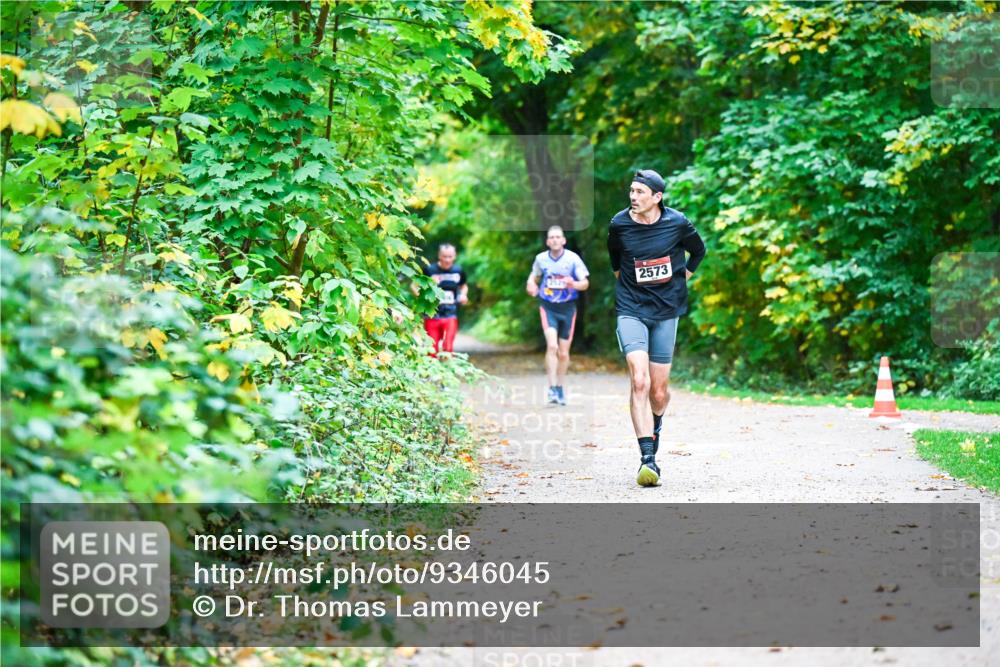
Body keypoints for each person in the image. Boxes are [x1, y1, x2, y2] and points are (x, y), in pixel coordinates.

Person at [607, 170, 706, 486]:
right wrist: (634, 293)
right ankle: (647, 458)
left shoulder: (677, 222)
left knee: (659, 392)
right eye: (631, 191)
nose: (633, 197)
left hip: (666, 311)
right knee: (639, 380)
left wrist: (684, 276)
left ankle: (656, 426)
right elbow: (615, 265)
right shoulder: (619, 224)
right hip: (631, 309)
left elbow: (698, 251)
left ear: (657, 197)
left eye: (640, 192)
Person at [526, 225, 590, 405]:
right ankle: (552, 389)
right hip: (548, 307)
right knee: (552, 346)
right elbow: (533, 276)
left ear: (563, 240)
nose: (554, 240)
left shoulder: (572, 259)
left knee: (563, 353)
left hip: (568, 308)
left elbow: (585, 283)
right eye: (551, 237)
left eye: (558, 237)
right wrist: (531, 283)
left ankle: (560, 387)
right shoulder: (541, 259)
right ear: (547, 241)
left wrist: (573, 284)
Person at [421, 243, 468, 356]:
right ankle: (432, 372)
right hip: (432, 314)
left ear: (455, 256)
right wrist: (430, 285)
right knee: (431, 349)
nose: (447, 260)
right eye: (444, 256)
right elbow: (415, 286)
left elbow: (464, 286)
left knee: (448, 347)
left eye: (450, 256)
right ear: (439, 256)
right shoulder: (429, 270)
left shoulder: (458, 270)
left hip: (450, 314)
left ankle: (446, 370)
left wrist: (463, 295)